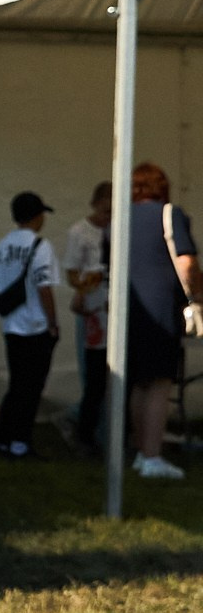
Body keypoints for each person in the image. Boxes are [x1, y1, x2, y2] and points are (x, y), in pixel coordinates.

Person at [126, 160, 199, 483]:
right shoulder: (171, 214)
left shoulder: (120, 219)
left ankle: (142, 451)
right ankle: (153, 456)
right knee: (159, 384)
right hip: (160, 309)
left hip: (129, 312)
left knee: (139, 383)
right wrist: (196, 298)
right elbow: (186, 263)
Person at [0, 191, 60, 460]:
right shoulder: (41, 246)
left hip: (11, 325)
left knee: (17, 385)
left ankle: (3, 439)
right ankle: (20, 442)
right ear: (37, 216)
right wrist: (53, 323)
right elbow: (44, 288)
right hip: (36, 326)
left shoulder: (2, 245)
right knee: (31, 388)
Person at [63, 182, 112, 450]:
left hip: (114, 307)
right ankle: (85, 430)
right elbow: (71, 272)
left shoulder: (120, 229)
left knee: (113, 377)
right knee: (92, 376)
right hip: (92, 309)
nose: (108, 217)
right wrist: (84, 288)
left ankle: (110, 431)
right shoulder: (80, 232)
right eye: (105, 211)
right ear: (94, 205)